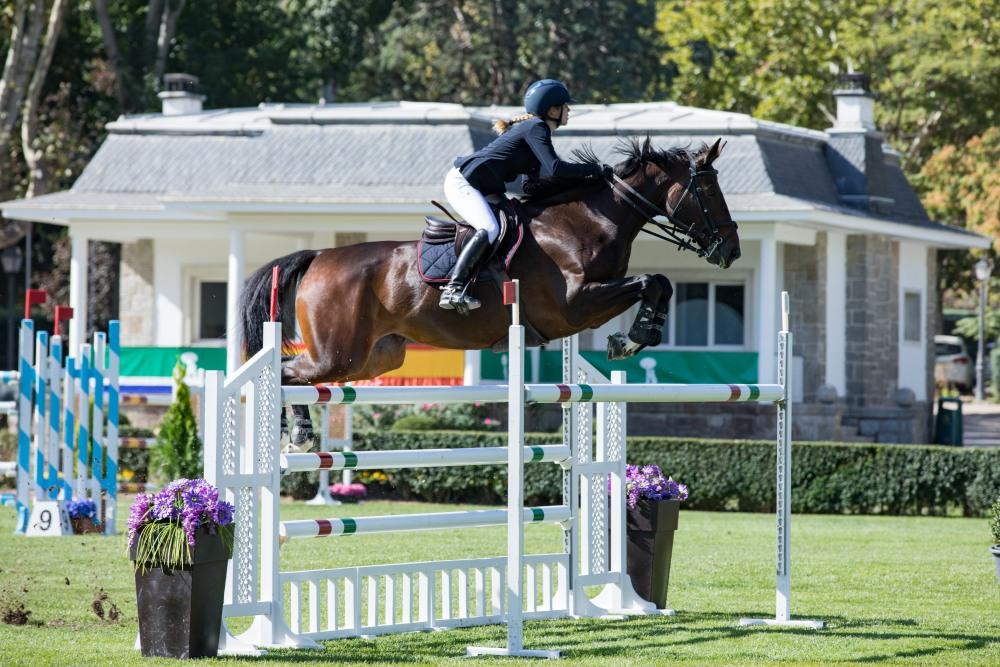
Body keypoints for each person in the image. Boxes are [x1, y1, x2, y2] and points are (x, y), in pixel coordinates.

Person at [440, 79, 612, 311]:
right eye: (565, 106)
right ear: (552, 110)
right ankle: (454, 287)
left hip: (486, 187)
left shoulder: (534, 130)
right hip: (464, 182)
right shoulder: (536, 127)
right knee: (490, 228)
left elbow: (538, 181)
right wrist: (595, 170)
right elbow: (555, 168)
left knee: (515, 223)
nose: (569, 110)